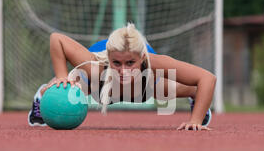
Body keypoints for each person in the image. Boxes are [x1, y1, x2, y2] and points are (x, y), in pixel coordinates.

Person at [28, 23, 216, 131]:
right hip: (97, 85)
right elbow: (56, 39)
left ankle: (196, 102)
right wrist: (61, 76)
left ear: (142, 58)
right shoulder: (95, 68)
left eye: (130, 64)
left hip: (146, 86)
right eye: (117, 63)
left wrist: (195, 121)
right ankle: (41, 96)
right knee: (65, 88)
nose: (123, 71)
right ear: (109, 58)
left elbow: (207, 78)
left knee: (179, 90)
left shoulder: (155, 65)